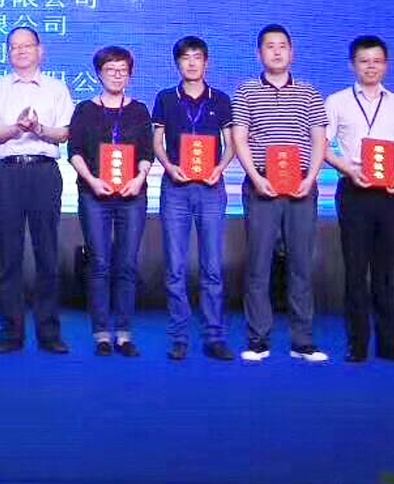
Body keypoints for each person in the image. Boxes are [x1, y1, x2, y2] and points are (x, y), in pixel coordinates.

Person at [232, 24, 328, 363]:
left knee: (301, 265)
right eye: (269, 46)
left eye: (282, 46)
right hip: (262, 183)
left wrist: (311, 178)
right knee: (259, 265)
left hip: (301, 185)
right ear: (260, 53)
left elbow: (319, 139)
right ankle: (258, 339)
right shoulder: (245, 91)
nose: (276, 51)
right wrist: (254, 177)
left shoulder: (309, 92)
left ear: (292, 51)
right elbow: (239, 138)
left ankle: (303, 341)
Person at [324, 36, 394, 364]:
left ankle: (390, 345)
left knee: (385, 272)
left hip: (390, 194)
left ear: (386, 65)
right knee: (355, 270)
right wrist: (348, 168)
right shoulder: (337, 101)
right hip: (354, 191)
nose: (371, 66)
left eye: (377, 61)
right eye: (364, 61)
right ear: (353, 65)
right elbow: (322, 147)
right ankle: (358, 345)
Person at [0, 26, 75, 355]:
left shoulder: (56, 88)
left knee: (47, 254)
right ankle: (10, 332)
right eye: (14, 47)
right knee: (9, 256)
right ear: (8, 53)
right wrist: (16, 128)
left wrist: (38, 129)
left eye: (27, 45)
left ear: (40, 50)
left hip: (44, 172)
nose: (21, 51)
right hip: (9, 173)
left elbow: (64, 132)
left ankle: (49, 332)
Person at [151, 35, 235, 361]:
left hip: (212, 188)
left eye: (197, 57)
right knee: (175, 266)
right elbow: (157, 142)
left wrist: (220, 169)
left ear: (206, 62)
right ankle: (179, 337)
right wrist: (169, 166)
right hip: (176, 188)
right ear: (178, 64)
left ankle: (214, 336)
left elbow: (230, 143)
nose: (191, 63)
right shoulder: (165, 98)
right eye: (185, 57)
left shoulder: (221, 100)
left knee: (212, 266)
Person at [68, 45, 153, 356]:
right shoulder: (84, 110)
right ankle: (102, 334)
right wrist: (92, 180)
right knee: (100, 264)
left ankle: (125, 334)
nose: (116, 75)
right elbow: (74, 152)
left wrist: (138, 179)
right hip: (94, 195)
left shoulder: (139, 110)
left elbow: (147, 152)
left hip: (132, 196)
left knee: (127, 265)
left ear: (130, 75)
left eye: (122, 70)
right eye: (110, 70)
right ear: (98, 74)